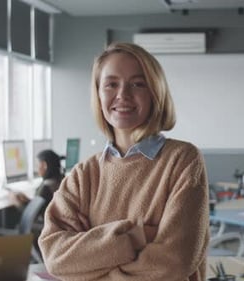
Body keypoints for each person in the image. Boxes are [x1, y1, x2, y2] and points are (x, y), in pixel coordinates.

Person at [38, 42, 209, 281]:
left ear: (154, 93)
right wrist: (137, 237)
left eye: (138, 84)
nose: (123, 95)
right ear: (98, 94)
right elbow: (55, 258)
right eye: (111, 84)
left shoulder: (183, 161)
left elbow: (174, 263)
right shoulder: (82, 175)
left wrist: (91, 257)